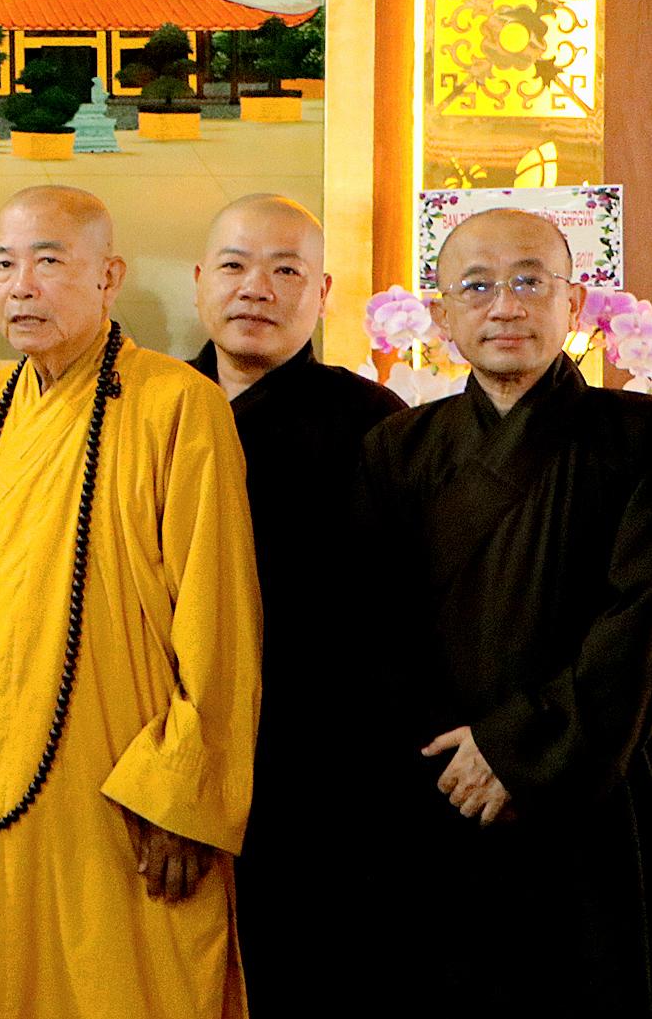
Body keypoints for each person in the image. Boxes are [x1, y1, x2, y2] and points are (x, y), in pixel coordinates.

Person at [0, 186, 261, 1018]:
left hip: (118, 789)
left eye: (48, 260)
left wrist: (185, 795)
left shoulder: (179, 404)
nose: (20, 285)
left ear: (110, 276)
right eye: (1, 264)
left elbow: (221, 616)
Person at [359, 208, 652, 1016]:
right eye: (478, 286)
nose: (505, 306)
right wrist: (453, 754)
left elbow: (640, 618)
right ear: (442, 313)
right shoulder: (397, 448)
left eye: (529, 281)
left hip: (588, 791)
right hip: (439, 790)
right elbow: (372, 626)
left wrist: (516, 748)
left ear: (575, 303)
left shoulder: (639, 437)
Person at [186, 194, 405, 1016]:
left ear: (324, 292)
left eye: (286, 270)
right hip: (161, 759)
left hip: (318, 776)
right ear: (200, 280)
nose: (257, 288)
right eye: (235, 265)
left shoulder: (374, 425)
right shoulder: (149, 406)